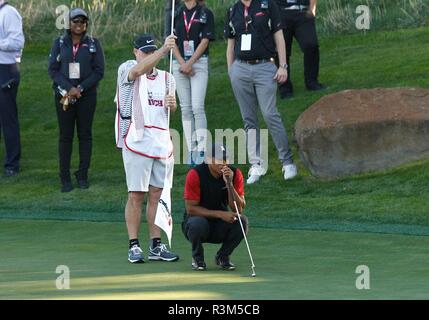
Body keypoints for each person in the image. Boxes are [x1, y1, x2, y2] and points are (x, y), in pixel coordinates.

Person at [115, 34, 179, 264]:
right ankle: (134, 245)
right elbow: (137, 72)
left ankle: (156, 245)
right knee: (136, 195)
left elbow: (169, 110)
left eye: (152, 51)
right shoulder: (127, 68)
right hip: (136, 141)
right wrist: (163, 49)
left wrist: (173, 105)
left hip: (160, 143)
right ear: (136, 52)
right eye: (145, 51)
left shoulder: (168, 78)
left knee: (157, 195)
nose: (150, 54)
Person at [225, 0, 298, 184]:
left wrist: (283, 66)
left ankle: (287, 162)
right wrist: (231, 71)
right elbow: (230, 44)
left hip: (265, 66)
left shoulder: (268, 5)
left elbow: (279, 37)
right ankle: (256, 164)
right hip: (240, 68)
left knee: (270, 114)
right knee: (248, 119)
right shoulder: (233, 9)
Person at [48, 8, 105, 192]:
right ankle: (64, 177)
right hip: (64, 95)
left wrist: (80, 88)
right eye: (75, 21)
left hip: (86, 95)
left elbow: (99, 71)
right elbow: (53, 70)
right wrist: (69, 88)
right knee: (65, 137)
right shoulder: (60, 43)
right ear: (68, 23)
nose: (79, 25)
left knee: (85, 135)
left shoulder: (93, 44)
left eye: (83, 22)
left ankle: (82, 175)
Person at [182, 143, 248, 271]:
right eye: (218, 159)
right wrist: (221, 214)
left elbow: (238, 209)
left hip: (219, 225)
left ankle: (223, 257)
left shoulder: (234, 173)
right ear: (207, 159)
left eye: (225, 159)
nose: (223, 163)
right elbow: (191, 209)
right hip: (196, 223)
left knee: (241, 221)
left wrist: (229, 183)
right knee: (197, 223)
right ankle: (198, 258)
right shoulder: (195, 174)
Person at [172, 0, 215, 166]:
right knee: (186, 108)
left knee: (197, 107)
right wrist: (183, 63)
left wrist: (190, 64)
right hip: (179, 63)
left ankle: (202, 149)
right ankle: (192, 150)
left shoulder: (205, 13)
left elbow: (205, 41)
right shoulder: (175, 14)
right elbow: (171, 41)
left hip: (199, 63)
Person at [275, 0, 325, 99]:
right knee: (282, 50)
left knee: (311, 45)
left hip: (303, 12)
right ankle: (285, 88)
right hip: (281, 13)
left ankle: (312, 82)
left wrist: (312, 8)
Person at [0, 0, 25, 177]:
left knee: (8, 118)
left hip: (5, 68)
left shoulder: (8, 12)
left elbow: (17, 42)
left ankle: (12, 163)